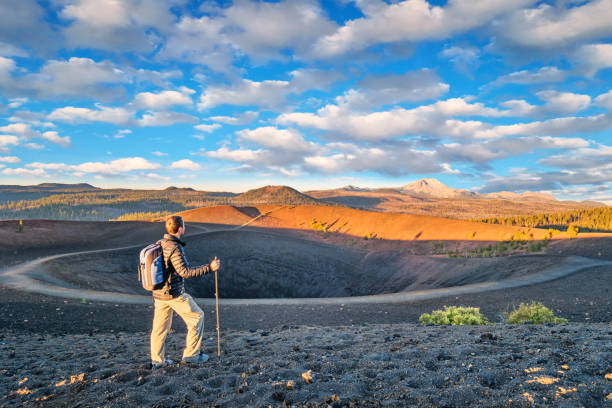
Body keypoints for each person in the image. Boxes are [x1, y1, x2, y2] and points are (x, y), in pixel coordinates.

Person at [150, 215, 220, 368]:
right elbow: (185, 272)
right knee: (197, 317)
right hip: (174, 294)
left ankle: (157, 360)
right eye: (184, 226)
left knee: (160, 329)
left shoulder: (160, 243)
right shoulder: (175, 247)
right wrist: (209, 268)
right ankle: (191, 356)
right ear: (180, 229)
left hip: (159, 295)